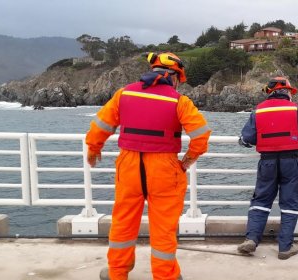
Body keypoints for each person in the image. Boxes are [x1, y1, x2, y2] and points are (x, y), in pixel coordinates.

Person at [85, 52, 211, 280]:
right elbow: (201, 137)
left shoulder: (123, 94)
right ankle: (166, 276)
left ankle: (117, 272)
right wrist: (187, 161)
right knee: (163, 228)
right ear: (174, 77)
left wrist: (94, 149)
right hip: (164, 168)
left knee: (123, 222)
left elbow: (100, 125)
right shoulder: (179, 101)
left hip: (129, 164)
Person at [237, 77, 298, 260]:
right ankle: (285, 247)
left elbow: (246, 140)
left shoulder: (258, 111)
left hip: (267, 162)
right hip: (290, 161)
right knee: (289, 203)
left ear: (269, 92)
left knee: (261, 201)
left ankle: (252, 239)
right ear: (287, 92)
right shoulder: (296, 110)